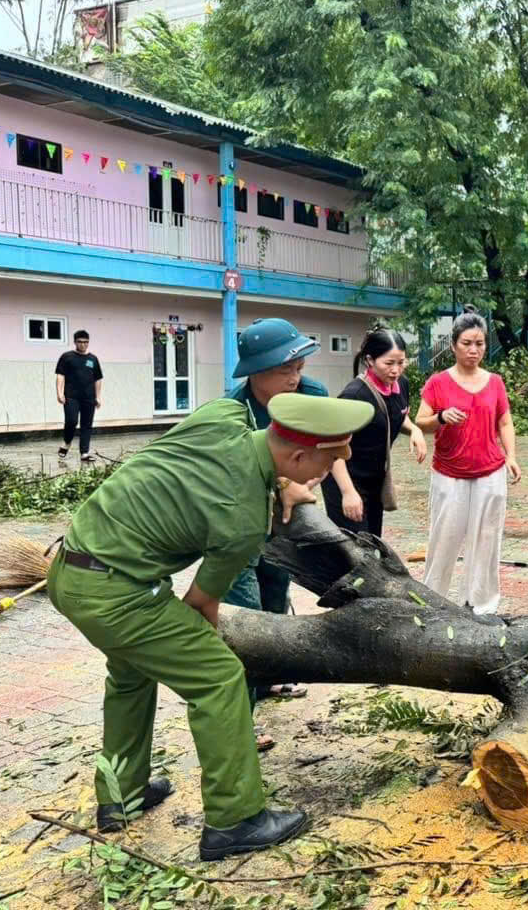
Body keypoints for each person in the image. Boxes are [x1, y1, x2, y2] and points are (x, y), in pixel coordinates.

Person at [46, 393, 374, 859]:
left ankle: (120, 797)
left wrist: (277, 485)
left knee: (131, 673)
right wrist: (208, 648)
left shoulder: (224, 418)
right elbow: (201, 603)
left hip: (71, 568)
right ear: (298, 456)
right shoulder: (242, 522)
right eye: (323, 467)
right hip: (117, 594)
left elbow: (234, 463)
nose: (320, 480)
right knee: (218, 676)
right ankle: (235, 820)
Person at [223, 318, 327, 744]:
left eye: (299, 367)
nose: (296, 377)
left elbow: (327, 447)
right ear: (256, 371)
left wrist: (305, 482)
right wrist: (283, 483)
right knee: (243, 618)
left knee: (275, 595)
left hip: (283, 522)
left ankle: (273, 678)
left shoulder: (313, 395)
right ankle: (237, 726)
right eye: (286, 370)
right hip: (240, 527)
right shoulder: (235, 412)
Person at [417, 310, 520, 613]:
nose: (474, 350)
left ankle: (481, 605)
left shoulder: (495, 382)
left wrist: (511, 456)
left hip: (490, 471)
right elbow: (420, 421)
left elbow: (504, 422)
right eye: (467, 343)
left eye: (480, 343)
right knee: (444, 538)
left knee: (486, 540)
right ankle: (432, 602)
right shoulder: (438, 383)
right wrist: (441, 417)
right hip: (449, 472)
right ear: (453, 345)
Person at [322, 328, 426, 537]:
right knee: (354, 550)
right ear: (369, 360)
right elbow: (332, 447)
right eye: (388, 363)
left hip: (375, 480)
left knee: (372, 541)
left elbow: (395, 415)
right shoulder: (355, 395)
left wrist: (414, 429)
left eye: (401, 362)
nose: (396, 370)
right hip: (346, 479)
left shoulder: (401, 384)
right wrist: (348, 493)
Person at [56, 329, 103, 464]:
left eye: (85, 342)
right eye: (80, 342)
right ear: (75, 342)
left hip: (89, 397)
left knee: (86, 425)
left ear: (88, 342)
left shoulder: (93, 359)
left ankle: (84, 453)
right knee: (71, 421)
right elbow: (60, 375)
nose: (83, 345)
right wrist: (59, 393)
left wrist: (98, 397)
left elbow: (98, 379)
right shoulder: (67, 357)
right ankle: (66, 443)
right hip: (71, 396)